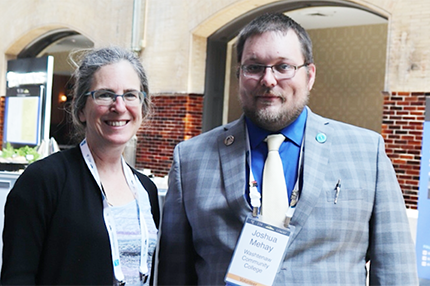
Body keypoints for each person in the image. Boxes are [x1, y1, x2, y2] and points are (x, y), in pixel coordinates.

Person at [157, 12, 418, 285]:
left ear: (310, 75)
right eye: (254, 67)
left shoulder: (367, 152)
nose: (268, 80)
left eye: (283, 67)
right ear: (239, 75)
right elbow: (174, 274)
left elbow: (395, 272)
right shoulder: (191, 159)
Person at [1, 46, 160, 286]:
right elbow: (17, 278)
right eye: (105, 94)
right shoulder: (44, 180)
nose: (119, 106)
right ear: (81, 109)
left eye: (130, 94)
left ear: (142, 106)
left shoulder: (146, 190)